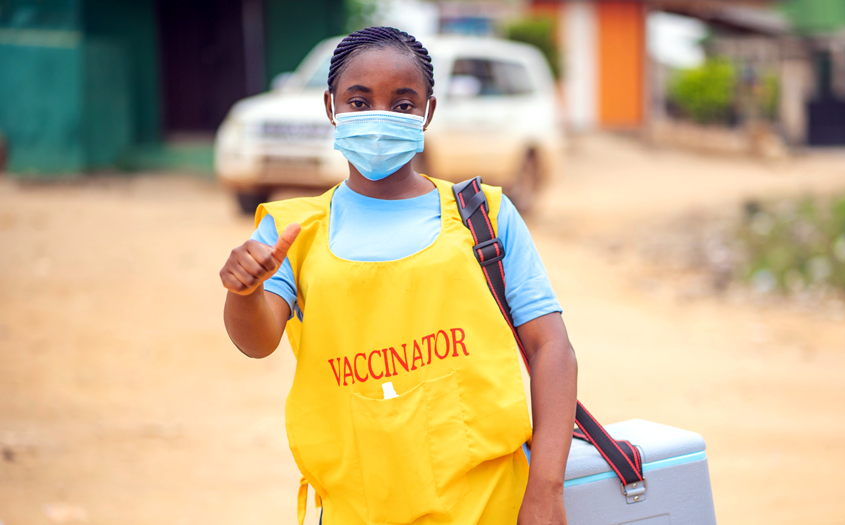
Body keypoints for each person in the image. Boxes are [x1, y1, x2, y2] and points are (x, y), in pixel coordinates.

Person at [219, 26, 577, 525]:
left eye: (403, 104)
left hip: (491, 503)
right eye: (359, 102)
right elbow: (257, 341)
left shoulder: (484, 216)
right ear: (330, 107)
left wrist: (546, 490)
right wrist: (244, 292)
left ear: (429, 111)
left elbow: (550, 347)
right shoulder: (292, 229)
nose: (380, 118)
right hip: (357, 508)